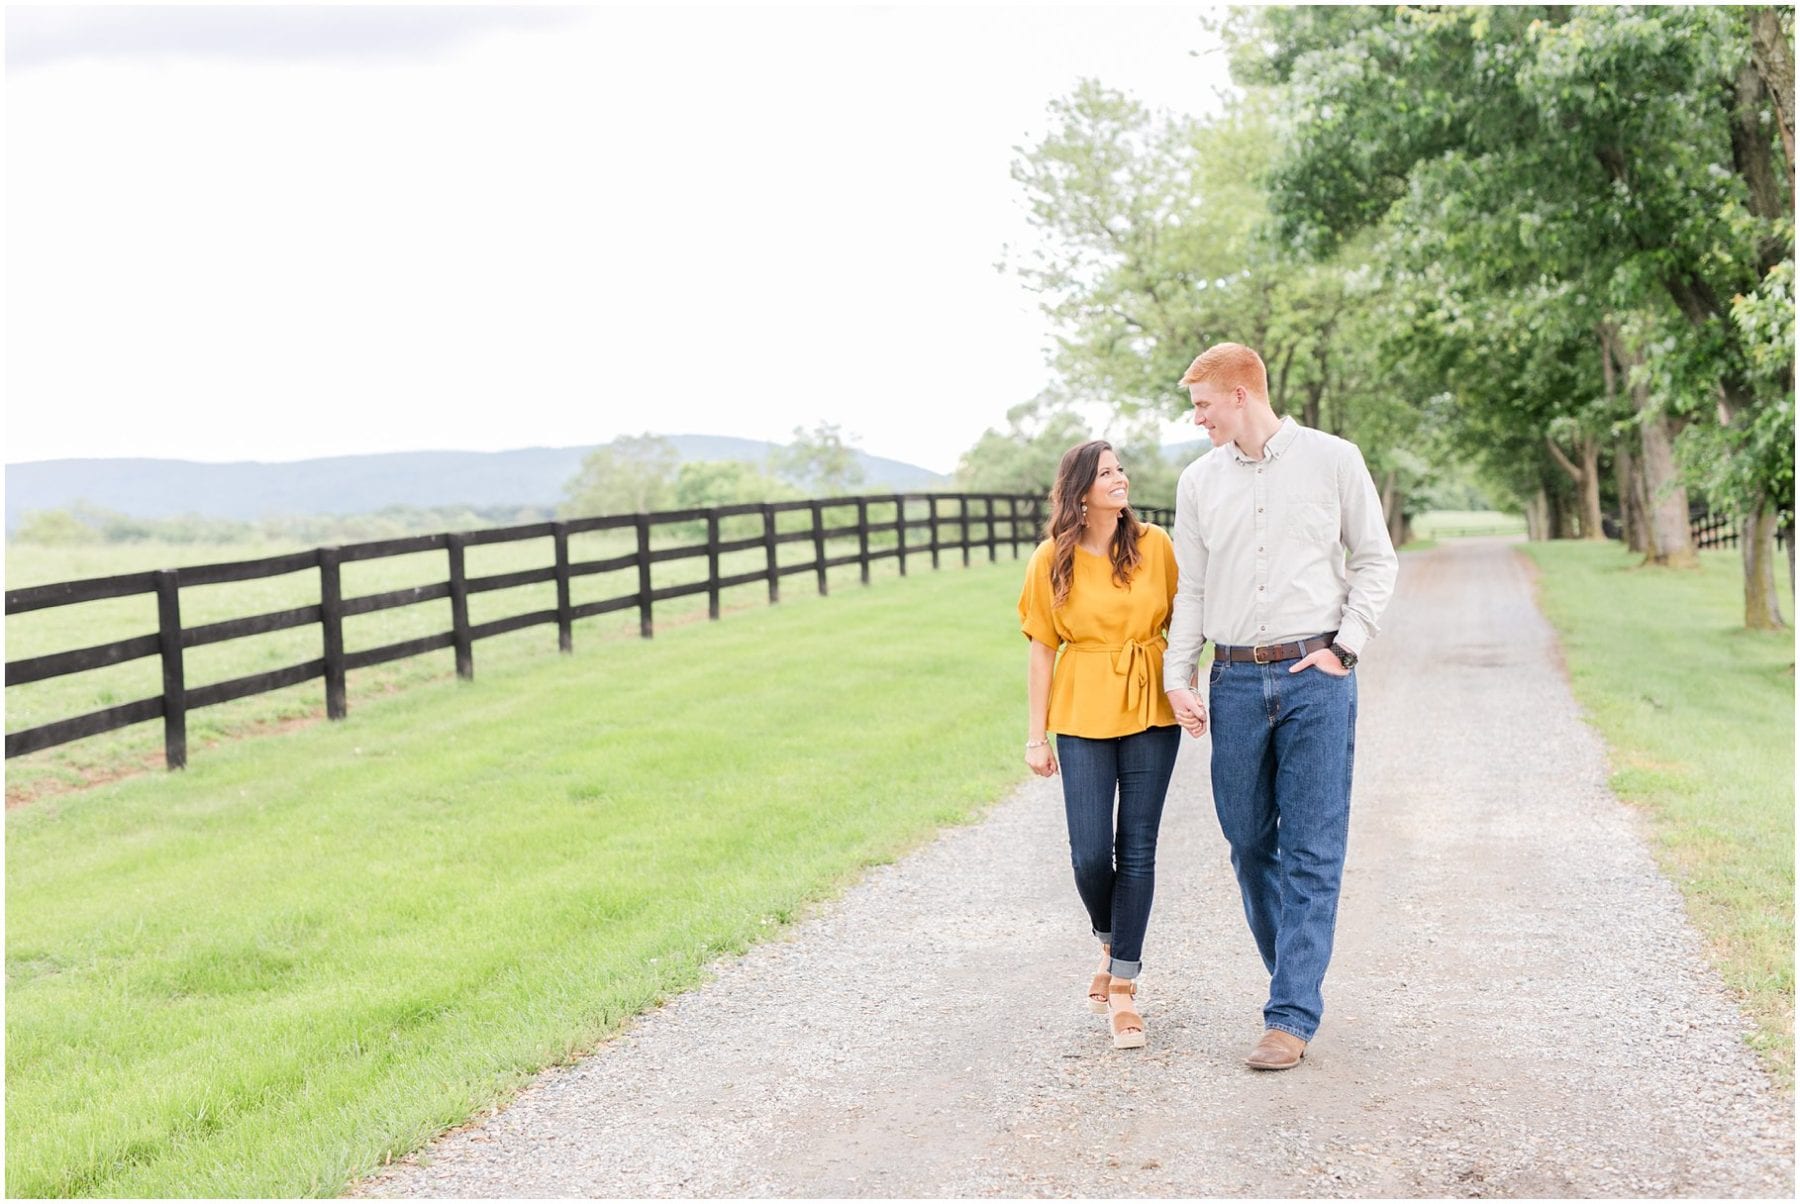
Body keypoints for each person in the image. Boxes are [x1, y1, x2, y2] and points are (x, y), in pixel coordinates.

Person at [1162, 342, 1398, 1071]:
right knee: (1247, 841)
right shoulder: (1198, 482)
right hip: (1234, 681)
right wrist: (1182, 675)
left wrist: (1345, 648)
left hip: (1314, 677)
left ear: (1240, 394)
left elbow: (1375, 559)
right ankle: (1294, 975)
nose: (1195, 417)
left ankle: (1290, 1013)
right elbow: (1191, 589)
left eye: (1202, 404)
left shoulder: (1334, 459)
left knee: (1313, 849)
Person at [1018, 440, 1183, 1050]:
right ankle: (1111, 941)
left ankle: (1122, 987)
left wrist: (1185, 686)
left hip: (1151, 708)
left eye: (1121, 469)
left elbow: (1182, 622)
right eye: (1107, 472)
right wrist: (1036, 736)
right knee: (1090, 852)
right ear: (1080, 489)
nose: (1121, 478)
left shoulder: (1156, 546)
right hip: (1083, 709)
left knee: (1137, 849)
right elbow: (1041, 646)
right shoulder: (1049, 559)